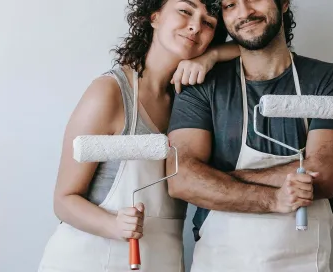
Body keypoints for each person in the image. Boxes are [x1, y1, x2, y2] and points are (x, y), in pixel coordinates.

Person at [37, 0, 241, 271]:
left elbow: (254, 45)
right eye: (185, 10)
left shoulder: (193, 101)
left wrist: (212, 57)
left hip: (163, 261)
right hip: (91, 259)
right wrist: (113, 225)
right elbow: (63, 200)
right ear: (154, 16)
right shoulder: (109, 93)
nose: (195, 26)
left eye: (208, 23)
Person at [165, 0, 333, 271]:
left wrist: (216, 180)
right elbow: (182, 179)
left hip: (303, 262)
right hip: (220, 261)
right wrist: (274, 199)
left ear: (284, 3)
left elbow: (323, 176)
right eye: (230, 5)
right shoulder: (202, 85)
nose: (244, 12)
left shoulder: (328, 79)